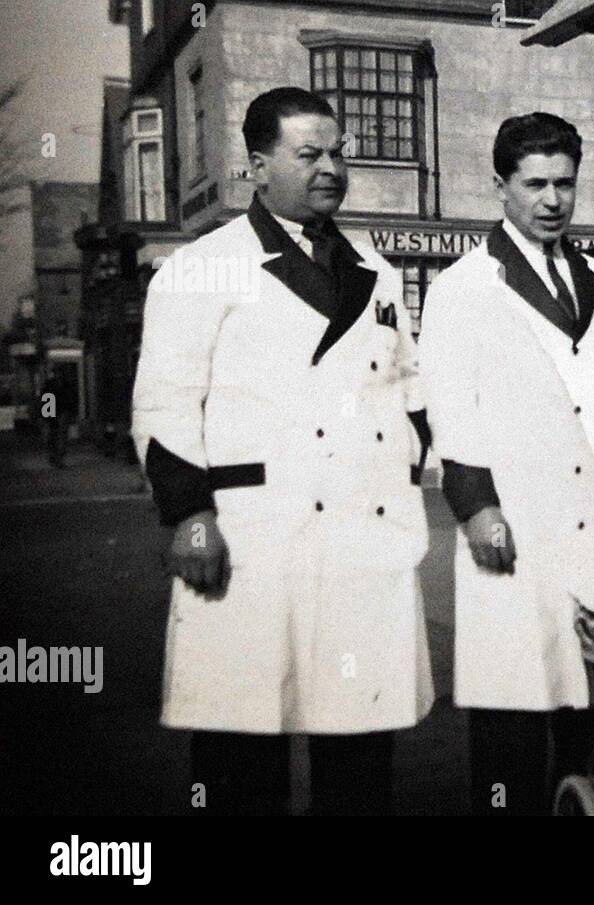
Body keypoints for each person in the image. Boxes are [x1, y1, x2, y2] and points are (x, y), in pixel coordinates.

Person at [131, 87, 433, 815]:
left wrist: (406, 467)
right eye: (308, 154)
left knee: (359, 746)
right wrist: (190, 515)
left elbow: (407, 387)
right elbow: (165, 400)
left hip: (362, 538)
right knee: (244, 746)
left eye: (337, 152)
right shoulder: (205, 266)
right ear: (257, 166)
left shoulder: (376, 269)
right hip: (253, 538)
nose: (329, 167)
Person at [420, 113, 594, 815]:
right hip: (518, 523)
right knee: (516, 702)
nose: (553, 199)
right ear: (500, 186)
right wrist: (476, 507)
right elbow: (450, 408)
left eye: (564, 183)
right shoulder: (463, 287)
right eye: (535, 184)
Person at [40, 364, 74, 468]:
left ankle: (57, 457)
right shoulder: (58, 384)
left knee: (58, 436)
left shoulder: (53, 384)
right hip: (55, 411)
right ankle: (56, 457)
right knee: (55, 436)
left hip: (59, 411)